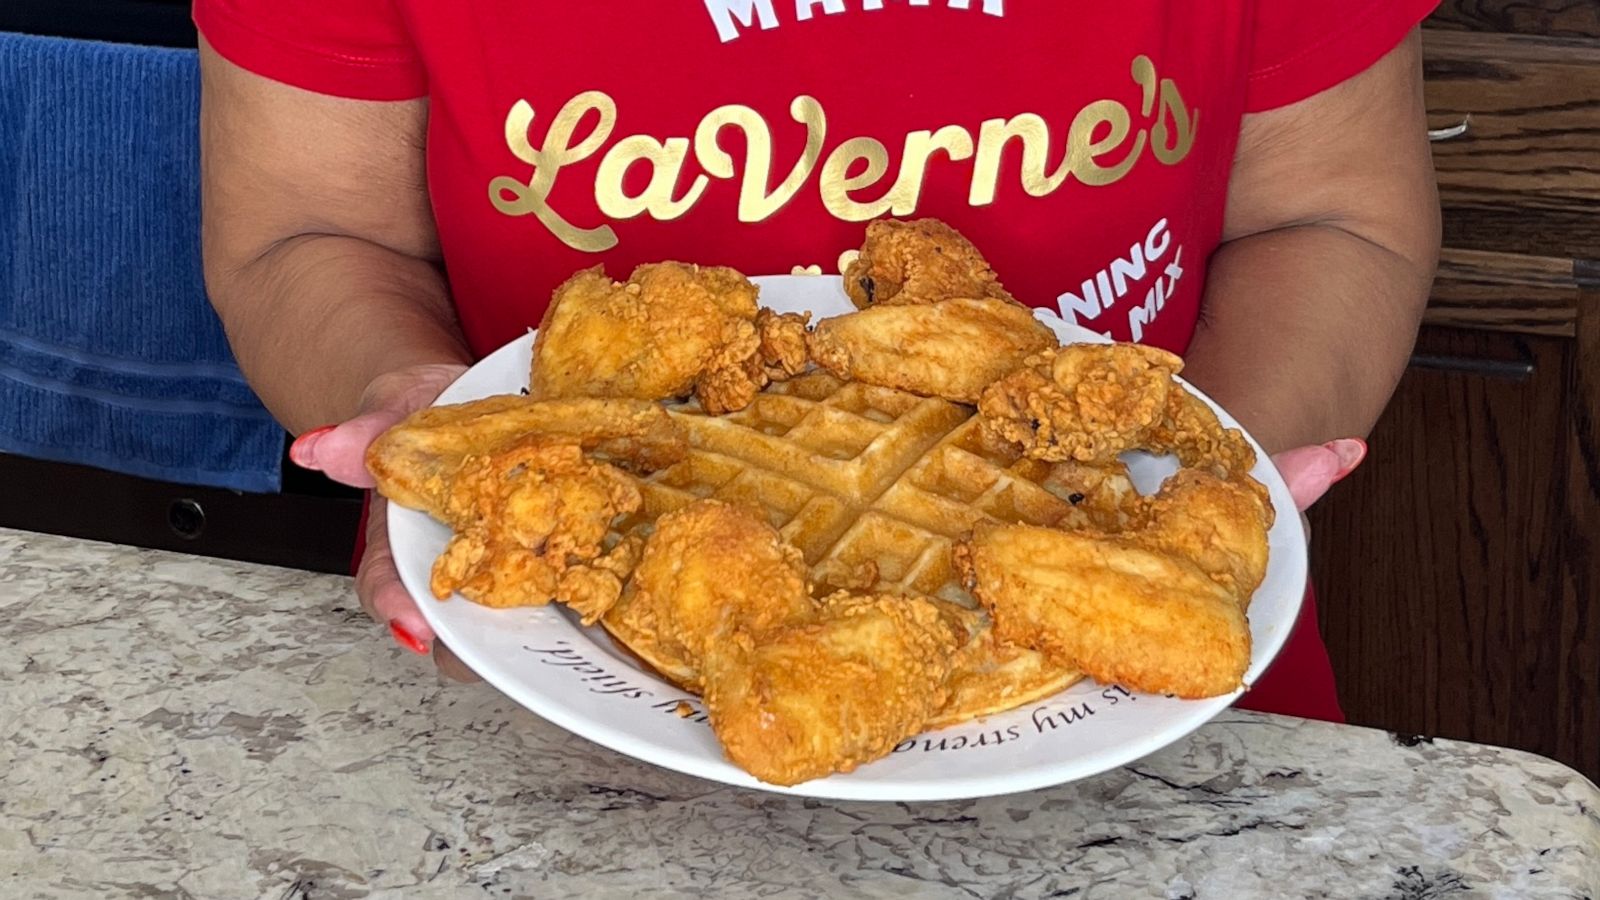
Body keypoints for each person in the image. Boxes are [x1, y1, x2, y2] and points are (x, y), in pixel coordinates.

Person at [194, 0, 1442, 719]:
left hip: (1140, 692)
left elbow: (1329, 216)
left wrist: (1219, 501)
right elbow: (312, 229)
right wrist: (414, 413)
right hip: (550, 668)